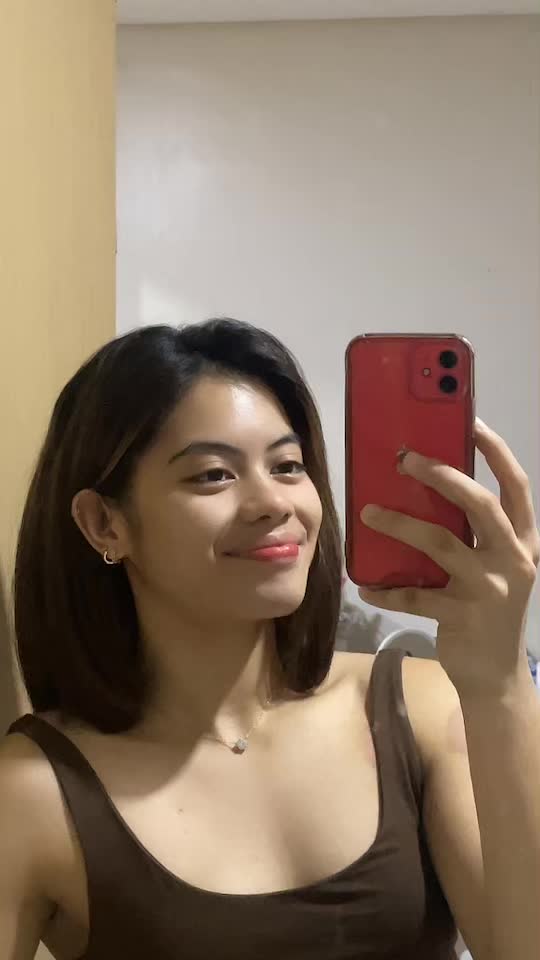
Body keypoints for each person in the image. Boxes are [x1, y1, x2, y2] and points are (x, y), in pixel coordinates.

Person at [1, 319, 539, 960]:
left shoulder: (419, 708)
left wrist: (499, 683)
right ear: (103, 523)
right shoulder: (34, 789)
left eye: (288, 466)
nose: (273, 503)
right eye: (212, 475)